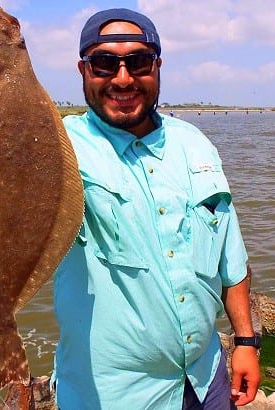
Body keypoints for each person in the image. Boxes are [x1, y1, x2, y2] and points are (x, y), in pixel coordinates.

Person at [51, 8, 261, 410]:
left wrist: (247, 341)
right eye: (105, 63)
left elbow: (229, 256)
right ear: (83, 70)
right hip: (109, 395)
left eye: (139, 61)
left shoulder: (194, 143)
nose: (123, 78)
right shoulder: (56, 149)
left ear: (158, 66)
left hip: (206, 379)